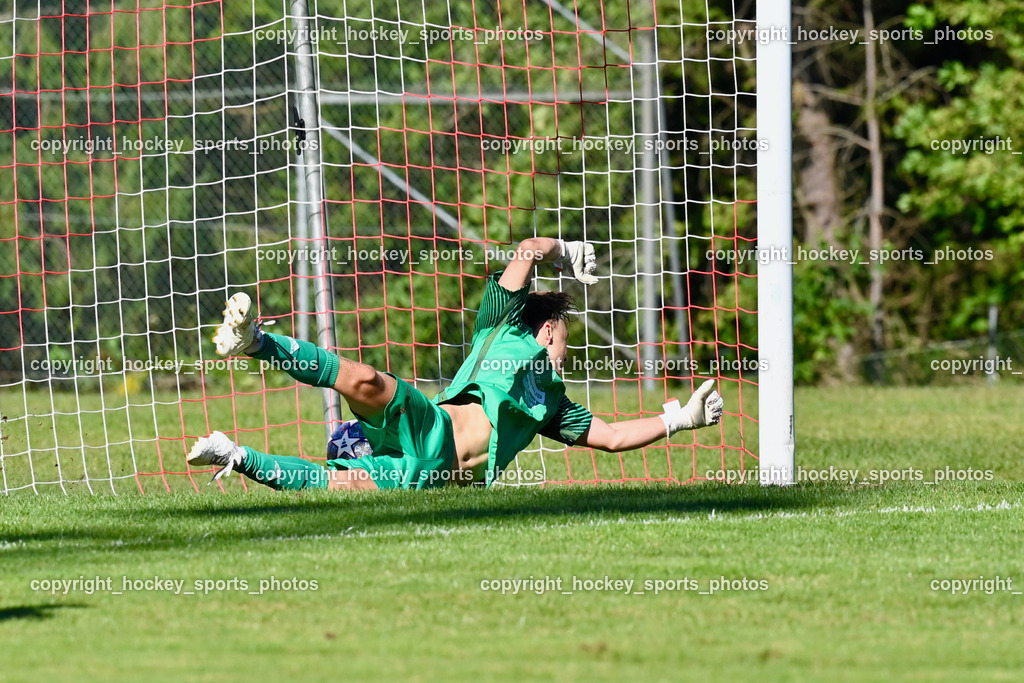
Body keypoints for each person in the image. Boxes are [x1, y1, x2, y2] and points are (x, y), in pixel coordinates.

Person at [187, 238, 724, 491]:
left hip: (432, 480)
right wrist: (561, 251)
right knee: (366, 378)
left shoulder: (553, 404)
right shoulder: (501, 327)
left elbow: (610, 437)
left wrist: (680, 420)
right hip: (432, 427)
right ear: (548, 328)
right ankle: (257, 343)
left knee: (338, 486)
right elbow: (526, 252)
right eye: (566, 336)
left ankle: (233, 453)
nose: (567, 348)